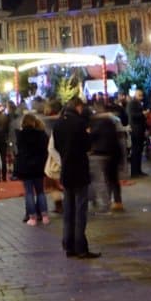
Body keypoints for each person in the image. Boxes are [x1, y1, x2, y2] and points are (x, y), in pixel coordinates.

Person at [51, 96, 99, 259]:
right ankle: (81, 246)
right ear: (78, 107)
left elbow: (56, 145)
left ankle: (68, 244)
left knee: (69, 209)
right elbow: (87, 145)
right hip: (79, 169)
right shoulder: (80, 124)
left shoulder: (58, 124)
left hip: (66, 170)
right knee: (80, 209)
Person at [12, 113, 49, 225]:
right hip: (39, 166)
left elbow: (18, 150)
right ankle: (44, 216)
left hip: (25, 167)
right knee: (40, 191)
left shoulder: (20, 135)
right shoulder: (41, 134)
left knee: (29, 192)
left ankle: (32, 217)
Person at [88, 100, 124, 213]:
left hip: (100, 152)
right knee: (113, 178)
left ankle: (104, 202)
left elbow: (92, 137)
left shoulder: (95, 121)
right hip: (113, 152)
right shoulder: (112, 120)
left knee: (101, 179)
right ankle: (117, 201)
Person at [126, 91, 149, 177]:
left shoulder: (138, 103)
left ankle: (138, 170)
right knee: (136, 150)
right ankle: (135, 171)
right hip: (136, 129)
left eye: (142, 95)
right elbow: (132, 115)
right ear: (135, 95)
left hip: (140, 129)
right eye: (139, 95)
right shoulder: (132, 103)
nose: (141, 97)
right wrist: (142, 114)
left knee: (139, 150)